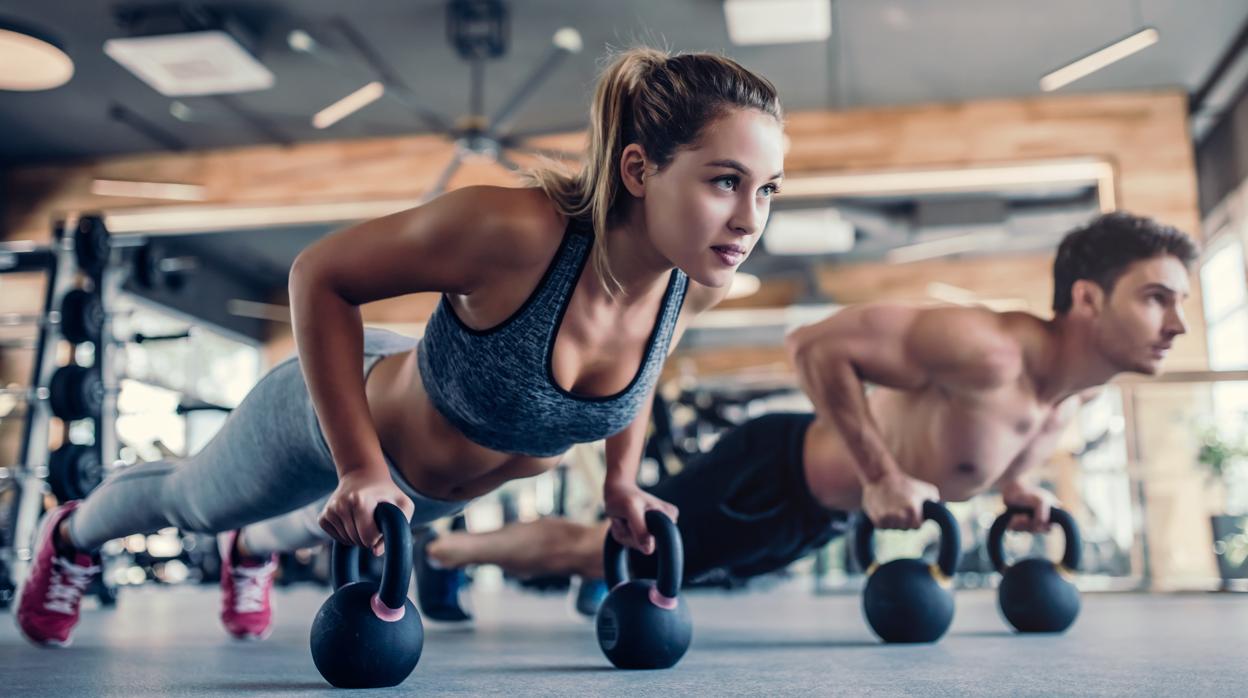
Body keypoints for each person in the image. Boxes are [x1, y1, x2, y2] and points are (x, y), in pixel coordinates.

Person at [15, 46, 787, 647]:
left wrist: (621, 482)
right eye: (726, 181)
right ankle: (73, 535)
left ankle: (253, 552)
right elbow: (319, 274)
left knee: (312, 521)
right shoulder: (514, 233)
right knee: (192, 505)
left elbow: (639, 377)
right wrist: (358, 465)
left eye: (768, 189)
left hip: (407, 493)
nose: (750, 218)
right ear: (639, 170)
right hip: (337, 414)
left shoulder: (694, 282)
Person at [417, 212, 1196, 599]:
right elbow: (814, 345)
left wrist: (1017, 489)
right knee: (600, 550)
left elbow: (972, 448)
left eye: (1182, 303)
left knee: (652, 572)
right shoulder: (985, 346)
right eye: (1158, 298)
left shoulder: (1073, 396)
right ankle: (445, 554)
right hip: (772, 472)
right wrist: (882, 474)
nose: (1180, 324)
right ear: (1088, 299)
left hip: (811, 516)